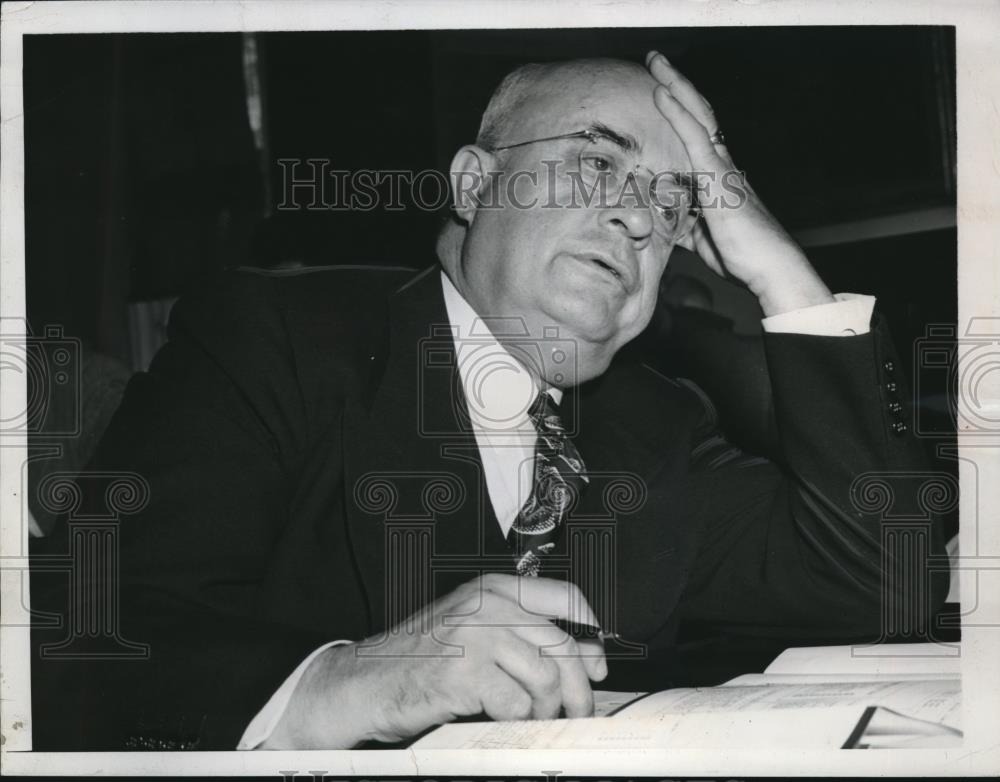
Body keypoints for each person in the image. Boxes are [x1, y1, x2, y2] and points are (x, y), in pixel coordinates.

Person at [31, 52, 947, 750]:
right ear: (474, 184)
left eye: (677, 204)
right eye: (595, 163)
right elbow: (79, 640)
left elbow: (888, 579)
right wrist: (348, 684)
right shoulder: (276, 338)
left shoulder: (655, 426)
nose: (640, 217)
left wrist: (780, 274)